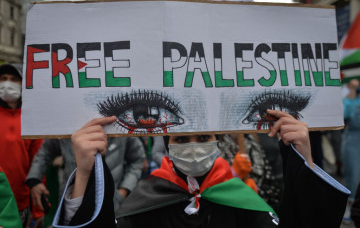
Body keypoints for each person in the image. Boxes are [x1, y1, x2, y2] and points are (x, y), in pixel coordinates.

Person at [53, 110, 350, 227]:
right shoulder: (145, 198)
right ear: (168, 145)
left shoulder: (241, 199)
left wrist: (305, 160)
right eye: (182, 139)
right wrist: (84, 173)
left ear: (217, 142)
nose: (193, 146)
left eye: (203, 137)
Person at [26, 137, 146, 214]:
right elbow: (45, 153)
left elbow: (137, 158)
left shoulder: (118, 125)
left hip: (112, 205)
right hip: (72, 204)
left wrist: (123, 191)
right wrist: (34, 180)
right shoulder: (66, 125)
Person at [0, 63, 44, 227]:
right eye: (3, 79)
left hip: (21, 204)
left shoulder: (32, 119)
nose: (7, 83)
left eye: (13, 79)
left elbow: (38, 163)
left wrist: (38, 208)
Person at [341, 78, 360, 223]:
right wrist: (352, 92)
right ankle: (348, 206)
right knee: (352, 175)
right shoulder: (352, 101)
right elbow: (345, 114)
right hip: (354, 139)